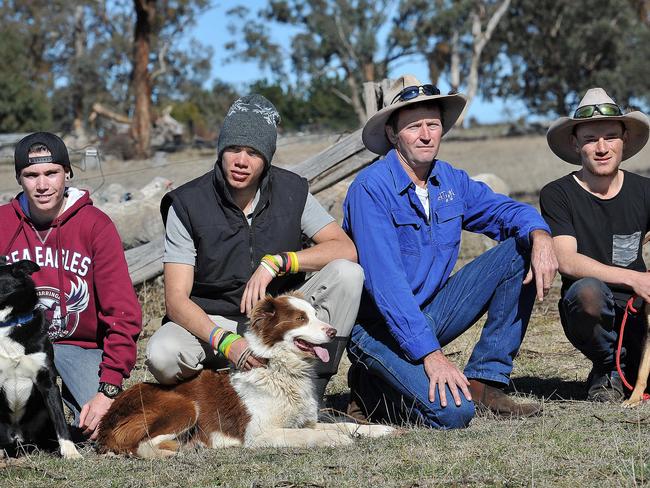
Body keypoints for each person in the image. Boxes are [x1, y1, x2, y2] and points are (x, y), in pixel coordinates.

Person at [342, 75, 558, 429]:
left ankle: (485, 382)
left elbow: (505, 211)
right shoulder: (371, 189)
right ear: (394, 135)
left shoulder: (449, 181)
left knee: (521, 248)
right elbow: (388, 287)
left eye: (433, 124)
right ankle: (374, 391)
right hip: (378, 325)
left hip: (432, 310)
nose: (426, 135)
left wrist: (540, 234)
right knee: (453, 414)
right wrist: (433, 357)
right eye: (414, 127)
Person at [146, 94, 363, 406]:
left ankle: (309, 396)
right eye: (233, 148)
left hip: (280, 319)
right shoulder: (187, 203)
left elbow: (344, 249)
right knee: (162, 355)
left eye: (253, 152)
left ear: (268, 157)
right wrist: (227, 342)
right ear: (221, 149)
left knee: (348, 273)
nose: (241, 160)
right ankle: (216, 398)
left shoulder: (292, 191)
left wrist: (278, 262)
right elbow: (176, 301)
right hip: (214, 320)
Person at [0, 132, 142, 439]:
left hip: (78, 347)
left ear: (67, 173)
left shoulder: (95, 225)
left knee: (103, 431)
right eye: (31, 175)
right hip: (13, 345)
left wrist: (108, 388)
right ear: (19, 178)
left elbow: (123, 313)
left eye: (51, 173)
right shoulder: (3, 225)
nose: (42, 185)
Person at [540, 87, 650, 402]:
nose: (601, 148)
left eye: (610, 137)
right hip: (590, 311)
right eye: (590, 139)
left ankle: (631, 369)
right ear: (575, 144)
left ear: (624, 139)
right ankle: (607, 368)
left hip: (639, 310)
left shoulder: (644, 190)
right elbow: (567, 260)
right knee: (588, 290)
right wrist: (635, 278)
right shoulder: (557, 194)